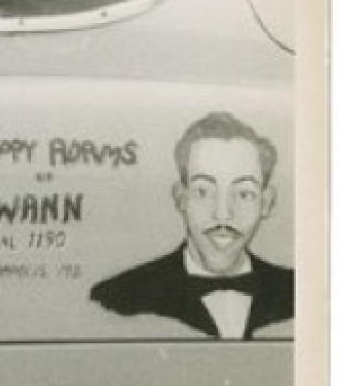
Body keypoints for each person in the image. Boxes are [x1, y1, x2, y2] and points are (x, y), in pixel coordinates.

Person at [90, 111, 293, 339]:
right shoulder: (120, 296)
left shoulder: (300, 292)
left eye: (244, 193)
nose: (223, 214)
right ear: (181, 197)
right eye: (203, 192)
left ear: (266, 203)